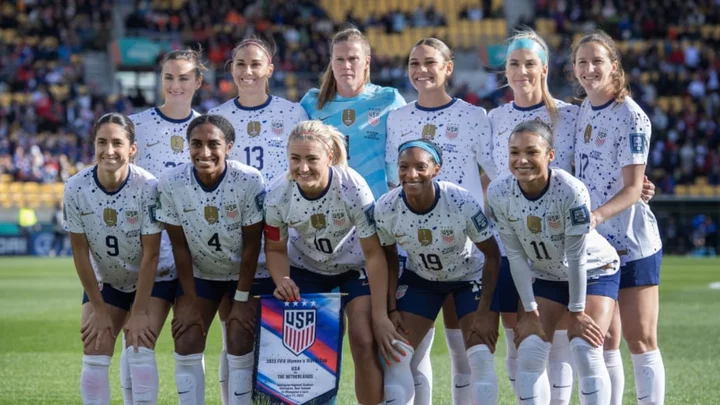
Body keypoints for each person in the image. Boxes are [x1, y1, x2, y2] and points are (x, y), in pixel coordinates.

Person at [385, 38, 496, 405]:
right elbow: (395, 180)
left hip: (465, 247)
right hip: (417, 251)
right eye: (414, 63)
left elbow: (494, 174)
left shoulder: (473, 116)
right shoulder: (398, 117)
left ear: (448, 67)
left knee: (465, 352)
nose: (421, 70)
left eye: (430, 62)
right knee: (409, 354)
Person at [264, 120, 402, 405]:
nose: (303, 168)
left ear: (329, 155)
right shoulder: (278, 193)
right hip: (307, 270)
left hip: (353, 270)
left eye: (312, 159)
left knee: (364, 340)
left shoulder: (352, 186)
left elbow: (375, 254)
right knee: (308, 349)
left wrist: (381, 315)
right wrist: (283, 280)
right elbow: (275, 248)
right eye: (295, 159)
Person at [487, 120, 621, 405]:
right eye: (514, 152)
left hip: (594, 269)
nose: (521, 160)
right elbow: (515, 256)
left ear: (550, 155)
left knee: (585, 348)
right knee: (530, 349)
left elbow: (576, 257)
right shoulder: (499, 192)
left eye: (531, 152)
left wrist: (577, 312)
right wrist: (531, 312)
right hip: (546, 274)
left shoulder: (571, 190)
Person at [208, 37, 308, 405]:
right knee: (232, 329)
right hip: (236, 233)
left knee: (279, 332)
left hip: (285, 233)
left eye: (255, 64)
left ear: (269, 69)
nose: (247, 71)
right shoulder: (217, 116)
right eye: (240, 64)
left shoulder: (293, 112)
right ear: (231, 69)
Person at [571, 31, 664, 405]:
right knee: (603, 338)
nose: (589, 69)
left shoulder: (630, 116)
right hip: (595, 246)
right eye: (582, 62)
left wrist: (595, 215)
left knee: (640, 339)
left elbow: (632, 188)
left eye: (597, 61)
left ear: (614, 65)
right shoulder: (580, 113)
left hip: (630, 240)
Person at [486, 30, 578, 404]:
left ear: (543, 67)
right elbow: (486, 173)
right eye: (513, 63)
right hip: (512, 243)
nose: (521, 70)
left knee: (555, 342)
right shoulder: (493, 118)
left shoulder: (570, 115)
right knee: (516, 336)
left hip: (560, 245)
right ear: (505, 70)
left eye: (528, 63)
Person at [376, 139, 501, 404]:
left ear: (436, 169)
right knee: (396, 356)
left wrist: (486, 312)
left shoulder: (460, 200)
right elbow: (389, 261)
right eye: (404, 167)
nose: (411, 175)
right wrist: (390, 309)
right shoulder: (386, 207)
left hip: (468, 277)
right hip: (421, 279)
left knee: (480, 357)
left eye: (420, 167)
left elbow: (492, 254)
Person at [156, 115, 265, 405]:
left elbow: (253, 244)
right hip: (202, 274)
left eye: (213, 144)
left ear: (229, 146)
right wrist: (190, 301)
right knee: (187, 334)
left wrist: (241, 301)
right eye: (196, 144)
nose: (204, 152)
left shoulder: (249, 180)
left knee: (241, 334)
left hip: (245, 273)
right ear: (187, 146)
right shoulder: (171, 183)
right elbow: (179, 248)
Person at [63, 113, 163, 405]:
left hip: (151, 279)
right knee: (95, 346)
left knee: (139, 347)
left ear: (132, 149)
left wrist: (140, 311)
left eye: (117, 143)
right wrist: (99, 308)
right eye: (102, 142)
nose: (109, 150)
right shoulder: (75, 187)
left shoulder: (148, 186)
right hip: (107, 280)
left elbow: (151, 254)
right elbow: (79, 253)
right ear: (93, 145)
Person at [123, 48, 204, 405]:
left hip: (196, 256)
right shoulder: (135, 125)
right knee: (138, 341)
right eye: (169, 77)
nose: (176, 85)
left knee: (190, 342)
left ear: (198, 82)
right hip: (150, 256)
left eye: (184, 77)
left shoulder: (208, 127)